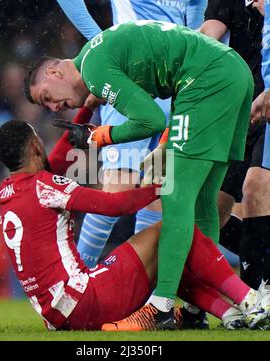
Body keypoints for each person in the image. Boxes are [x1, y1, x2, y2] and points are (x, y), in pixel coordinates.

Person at [24, 20, 254, 329]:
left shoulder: (94, 68)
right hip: (234, 72)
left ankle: (160, 309)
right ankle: (196, 310)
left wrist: (98, 137)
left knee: (175, 199)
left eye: (46, 97)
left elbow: (150, 119)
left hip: (204, 82)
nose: (52, 108)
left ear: (54, 73)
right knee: (203, 204)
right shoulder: (96, 54)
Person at [0, 119, 270, 331]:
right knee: (171, 233)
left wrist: (85, 112)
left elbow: (49, 166)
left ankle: (228, 313)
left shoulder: (7, 192)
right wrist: (159, 189)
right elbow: (115, 205)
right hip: (87, 300)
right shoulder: (44, 186)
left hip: (58, 317)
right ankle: (249, 300)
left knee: (167, 260)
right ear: (35, 146)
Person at [56, 0, 207, 271]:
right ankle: (76, 282)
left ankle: (139, 302)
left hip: (175, 85)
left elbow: (197, 3)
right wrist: (100, 44)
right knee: (117, 190)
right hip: (132, 79)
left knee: (158, 194)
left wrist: (193, 45)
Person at [200, 0, 269, 290]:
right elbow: (208, 34)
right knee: (211, 211)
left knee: (255, 191)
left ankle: (255, 298)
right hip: (241, 113)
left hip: (265, 105)